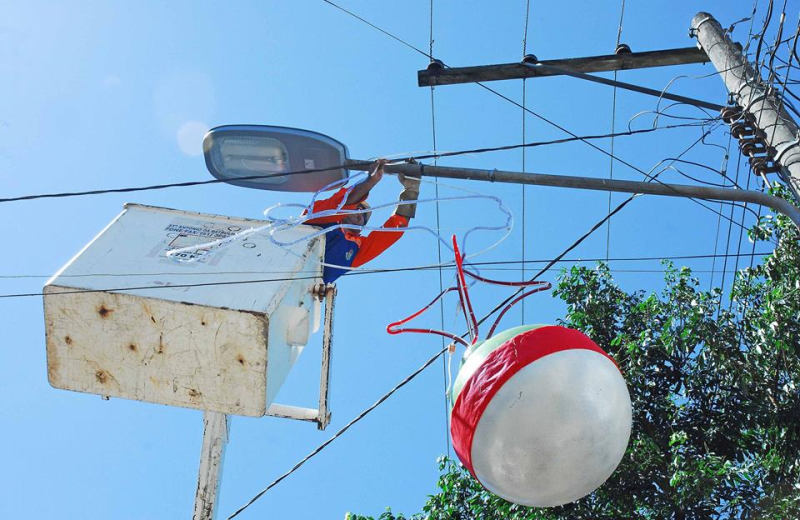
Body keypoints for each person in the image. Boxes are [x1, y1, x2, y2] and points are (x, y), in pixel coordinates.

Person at [304, 159, 420, 283]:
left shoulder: (357, 249)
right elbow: (340, 203)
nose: (359, 215)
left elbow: (392, 231)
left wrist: (411, 191)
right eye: (358, 208)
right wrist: (370, 181)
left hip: (304, 292)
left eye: (364, 218)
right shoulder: (321, 216)